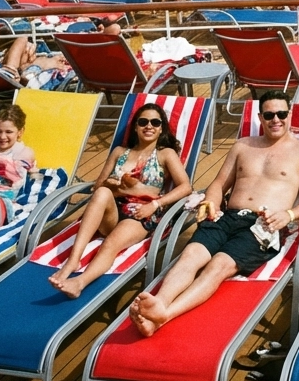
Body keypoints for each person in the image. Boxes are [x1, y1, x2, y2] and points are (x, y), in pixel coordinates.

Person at [129, 90, 299, 336]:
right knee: (190, 254)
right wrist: (212, 200)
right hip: (226, 216)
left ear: (290, 115)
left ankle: (164, 316)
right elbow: (219, 183)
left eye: (281, 114)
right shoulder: (243, 145)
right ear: (260, 117)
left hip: (262, 226)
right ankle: (159, 303)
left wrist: (289, 214)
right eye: (269, 114)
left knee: (219, 264)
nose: (275, 119)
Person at [47, 103, 191, 298]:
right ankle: (73, 261)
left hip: (141, 213)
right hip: (114, 210)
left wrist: (155, 204)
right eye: (143, 122)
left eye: (155, 122)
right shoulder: (119, 152)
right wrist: (114, 185)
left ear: (161, 128)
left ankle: (79, 282)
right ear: (135, 126)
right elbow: (98, 186)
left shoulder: (165, 153)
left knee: (111, 243)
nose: (149, 126)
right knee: (101, 194)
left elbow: (185, 186)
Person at [0, 104, 36, 229]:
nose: (2, 137)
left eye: (9, 132)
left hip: (2, 205)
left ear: (20, 132)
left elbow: (16, 172)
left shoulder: (23, 151)